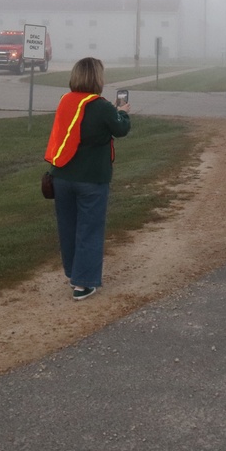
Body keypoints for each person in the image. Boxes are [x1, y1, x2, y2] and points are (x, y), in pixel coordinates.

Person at [44, 57, 131, 300]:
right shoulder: (101, 106)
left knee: (68, 227)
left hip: (62, 176)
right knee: (89, 230)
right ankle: (83, 284)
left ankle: (74, 272)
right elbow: (120, 129)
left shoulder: (66, 101)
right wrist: (122, 113)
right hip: (91, 178)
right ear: (97, 78)